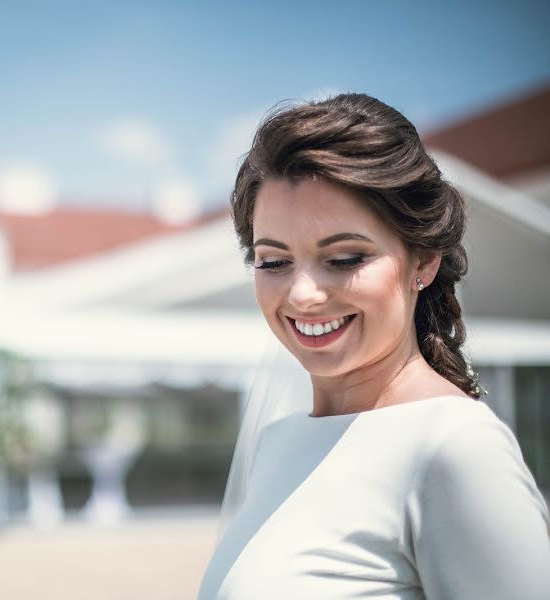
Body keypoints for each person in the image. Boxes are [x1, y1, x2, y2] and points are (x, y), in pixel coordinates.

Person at [198, 93, 550, 599]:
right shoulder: (277, 440)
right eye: (273, 261)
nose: (301, 294)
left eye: (343, 258)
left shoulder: (456, 448)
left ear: (423, 263)